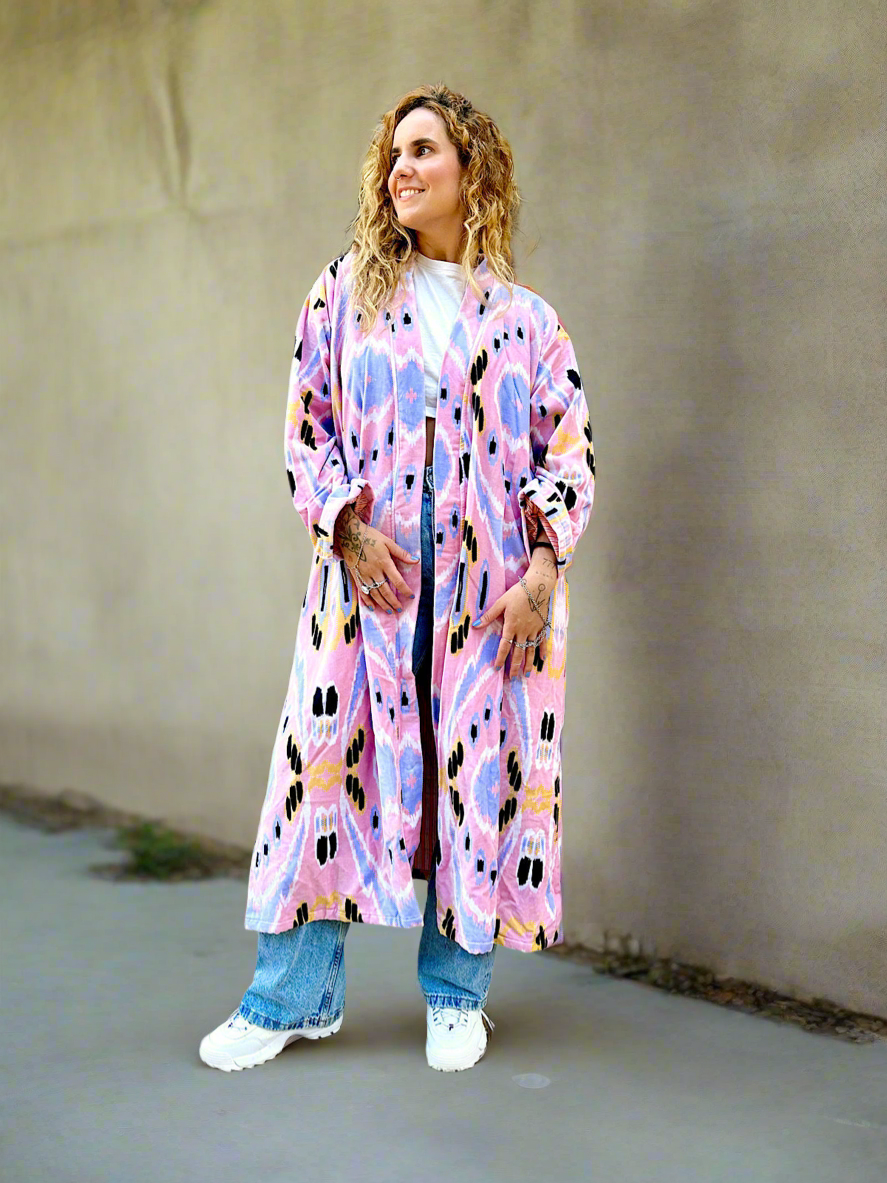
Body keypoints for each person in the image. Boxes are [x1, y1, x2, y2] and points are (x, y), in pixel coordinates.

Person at [200, 83, 595, 1074]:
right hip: (367, 588)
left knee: (476, 779)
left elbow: (567, 454)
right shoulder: (346, 293)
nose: (401, 169)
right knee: (321, 772)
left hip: (488, 599)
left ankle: (457, 997)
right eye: (394, 154)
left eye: (423, 150)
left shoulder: (528, 323)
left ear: (471, 170)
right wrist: (344, 527)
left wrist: (543, 568)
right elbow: (308, 425)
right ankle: (289, 997)